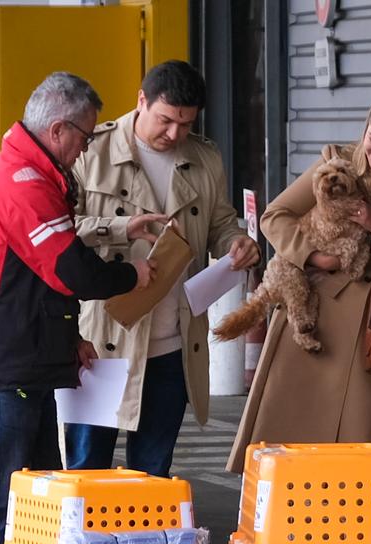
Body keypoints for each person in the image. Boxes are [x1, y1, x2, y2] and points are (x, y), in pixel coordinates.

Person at [0, 72, 154, 544]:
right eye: (85, 137)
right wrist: (131, 275)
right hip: (2, 366)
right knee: (3, 493)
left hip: (28, 361)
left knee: (36, 494)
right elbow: (71, 271)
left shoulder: (38, 174)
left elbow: (37, 279)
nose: (88, 147)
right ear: (58, 128)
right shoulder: (21, 182)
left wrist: (70, 340)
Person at [226, 93, 371, 473]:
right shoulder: (338, 160)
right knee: (294, 435)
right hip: (316, 308)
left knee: (370, 447)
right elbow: (276, 215)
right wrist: (313, 257)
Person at [65, 60, 260, 477]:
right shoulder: (91, 150)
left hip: (173, 343)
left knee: (153, 475)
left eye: (186, 125)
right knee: (85, 470)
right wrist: (119, 227)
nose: (174, 134)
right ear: (141, 102)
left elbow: (220, 223)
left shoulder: (204, 158)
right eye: (166, 120)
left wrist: (236, 243)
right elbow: (59, 231)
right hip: (102, 341)